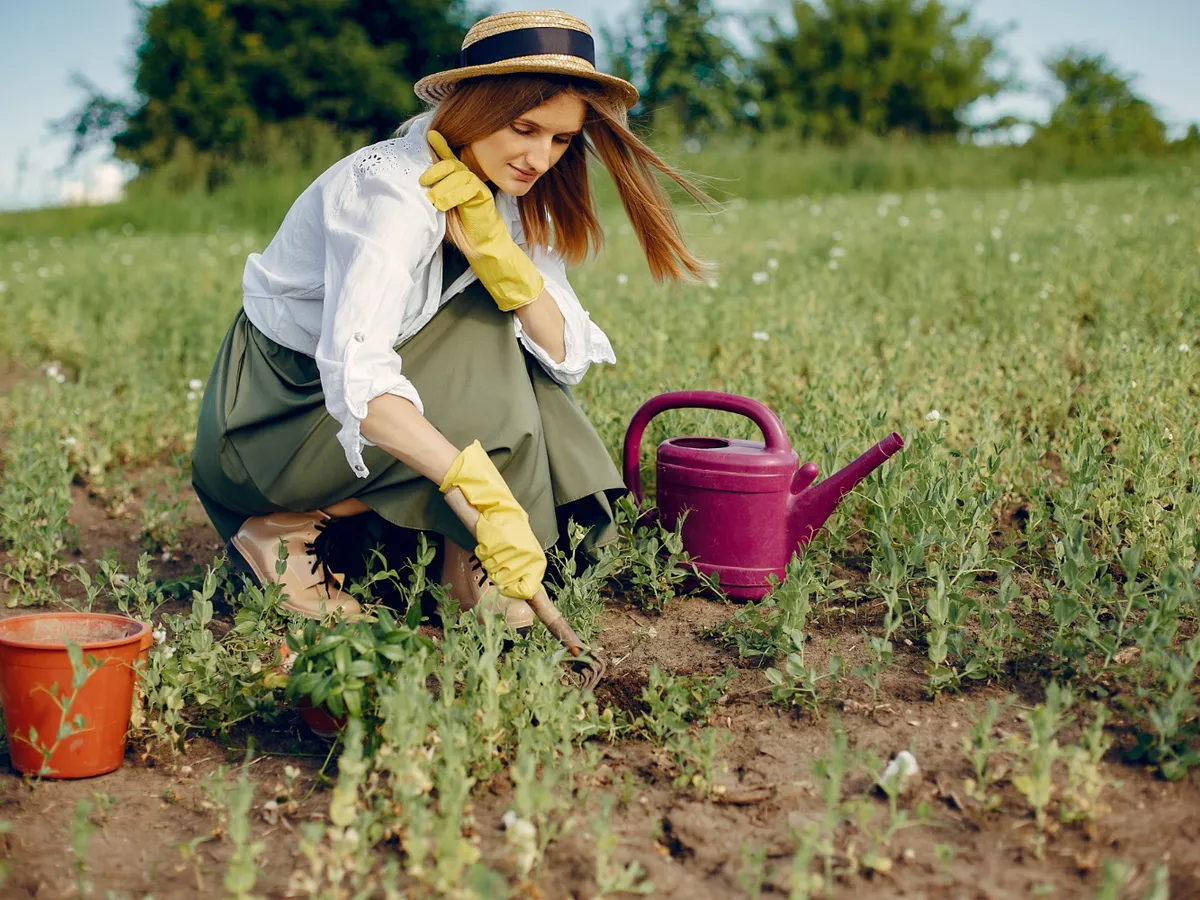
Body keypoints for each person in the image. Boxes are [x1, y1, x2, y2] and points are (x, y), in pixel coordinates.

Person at [190, 9, 714, 626]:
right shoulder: (392, 191)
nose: (539, 157)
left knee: (522, 364)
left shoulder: (510, 198)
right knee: (490, 345)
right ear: (477, 108)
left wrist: (505, 264)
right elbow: (358, 382)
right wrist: (482, 495)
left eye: (562, 139)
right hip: (276, 419)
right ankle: (288, 530)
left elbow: (565, 356)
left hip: (350, 422)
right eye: (524, 127)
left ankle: (463, 566)